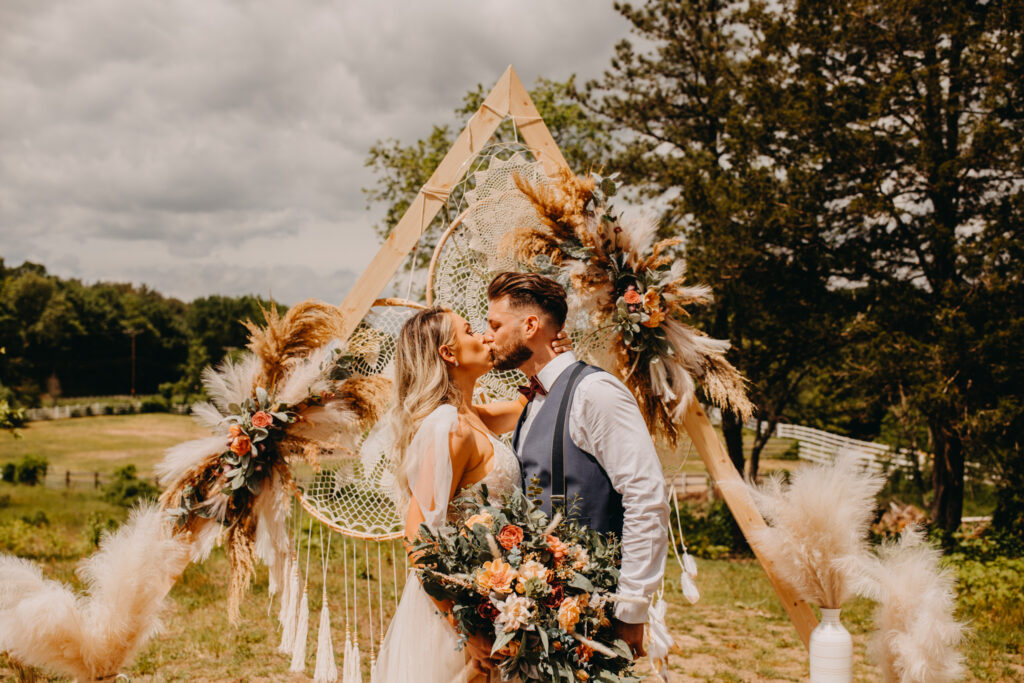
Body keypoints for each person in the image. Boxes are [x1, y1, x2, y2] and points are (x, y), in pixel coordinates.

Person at [372, 306, 570, 683]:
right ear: (449, 353)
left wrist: (550, 354)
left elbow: (526, 407)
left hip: (488, 600)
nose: (484, 335)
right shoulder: (448, 428)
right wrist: (462, 626)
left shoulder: (472, 417)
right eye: (469, 331)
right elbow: (417, 534)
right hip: (457, 617)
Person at [484, 271, 669, 661]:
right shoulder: (532, 402)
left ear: (531, 325)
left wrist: (631, 606)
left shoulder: (594, 392)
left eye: (495, 325)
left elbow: (646, 495)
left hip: (592, 618)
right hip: (539, 622)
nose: (489, 337)